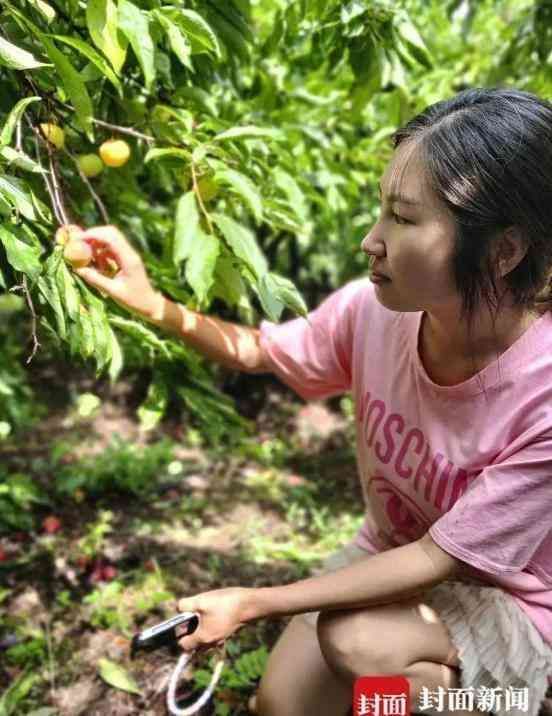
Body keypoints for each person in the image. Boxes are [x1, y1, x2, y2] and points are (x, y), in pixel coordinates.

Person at [74, 86, 552, 716]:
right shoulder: (375, 313)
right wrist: (146, 302)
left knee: (366, 656)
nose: (371, 240)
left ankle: (518, 701)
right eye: (381, 210)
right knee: (282, 705)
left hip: (517, 604)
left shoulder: (542, 392)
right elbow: (259, 351)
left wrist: (253, 602)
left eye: (404, 219)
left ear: (504, 250)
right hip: (392, 559)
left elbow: (440, 556)